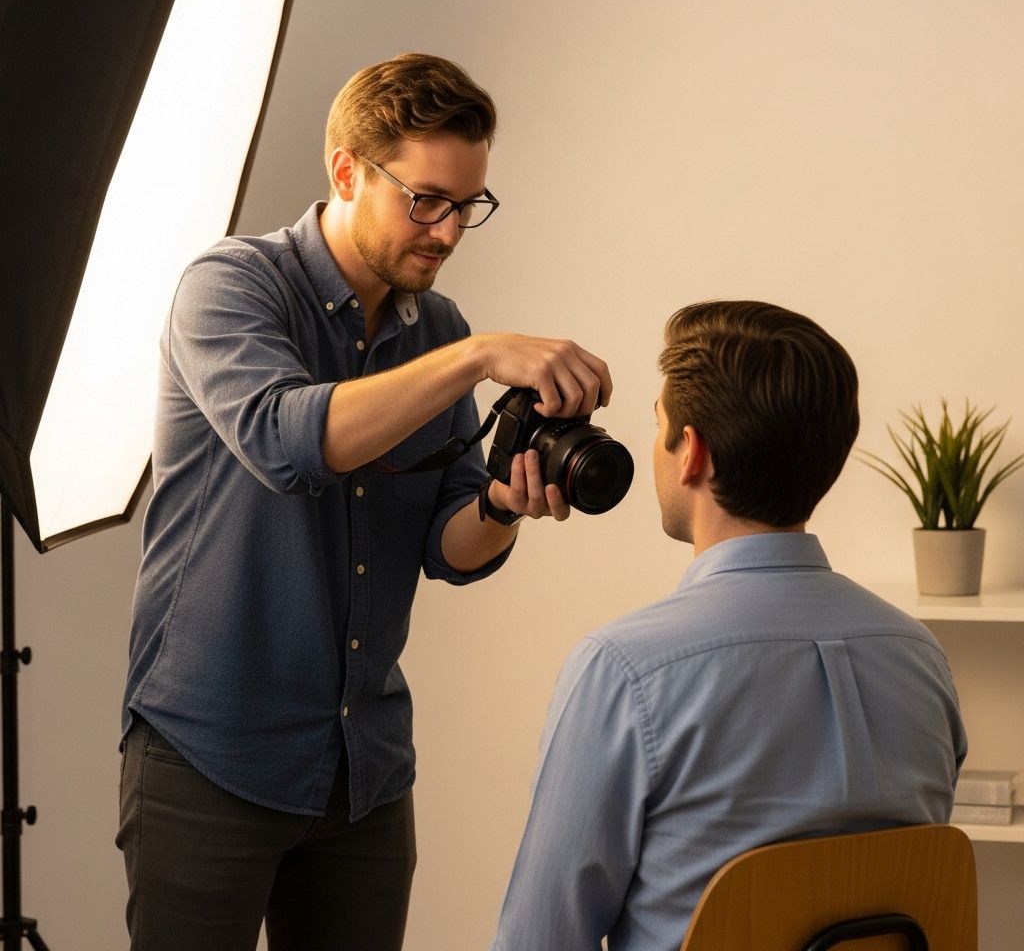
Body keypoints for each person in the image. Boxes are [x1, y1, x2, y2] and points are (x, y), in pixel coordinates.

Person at [117, 52, 613, 951]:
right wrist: (475, 358)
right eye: (426, 200)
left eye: (467, 205)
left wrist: (502, 507)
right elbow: (289, 441)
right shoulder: (229, 286)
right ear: (347, 171)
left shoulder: (438, 329)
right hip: (210, 753)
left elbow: (448, 549)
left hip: (364, 765)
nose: (449, 231)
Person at [490, 300, 967, 951]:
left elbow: (539, 939)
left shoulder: (625, 671)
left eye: (658, 425)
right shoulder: (920, 657)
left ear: (692, 453)